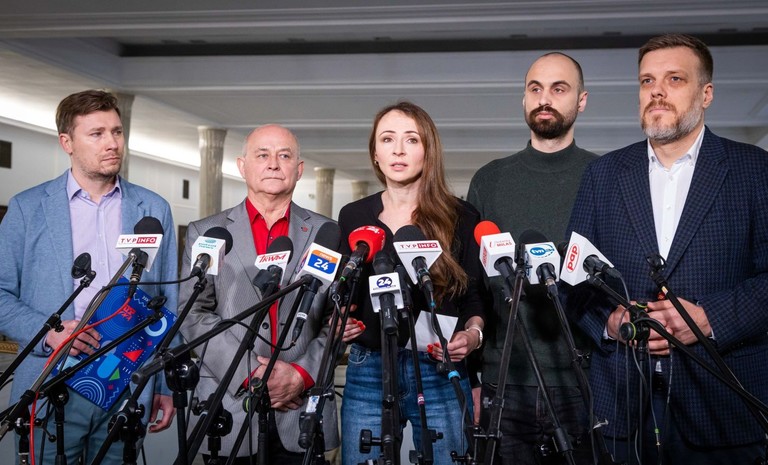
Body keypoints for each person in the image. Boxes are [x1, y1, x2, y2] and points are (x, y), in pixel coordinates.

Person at [564, 33, 768, 464]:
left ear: (706, 94)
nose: (657, 91)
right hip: (622, 409)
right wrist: (610, 323)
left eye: (675, 79)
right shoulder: (602, 175)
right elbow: (573, 283)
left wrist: (708, 319)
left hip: (723, 407)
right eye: (647, 81)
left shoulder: (755, 170)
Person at [0, 89, 178, 464]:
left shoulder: (153, 209)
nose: (112, 143)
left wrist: (163, 382)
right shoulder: (28, 209)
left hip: (127, 380)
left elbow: (167, 302)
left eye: (117, 132)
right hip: (51, 381)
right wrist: (49, 333)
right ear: (67, 142)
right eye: (97, 134)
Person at [178, 124, 339, 465]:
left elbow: (337, 319)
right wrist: (250, 372)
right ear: (242, 166)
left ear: (299, 169)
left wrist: (301, 374)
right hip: (228, 410)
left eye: (284, 156)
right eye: (262, 155)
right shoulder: (207, 233)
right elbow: (192, 313)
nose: (273, 164)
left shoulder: (327, 233)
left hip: (301, 409)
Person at [338, 101, 487, 465]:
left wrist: (473, 335)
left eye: (411, 139)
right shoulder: (353, 215)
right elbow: (345, 295)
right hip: (369, 366)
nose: (399, 150)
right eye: (387, 139)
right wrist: (340, 319)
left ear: (428, 151)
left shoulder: (461, 215)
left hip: (438, 367)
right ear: (375, 153)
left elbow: (474, 298)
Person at [467, 52, 597, 464]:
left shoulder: (605, 176)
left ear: (581, 101)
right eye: (535, 88)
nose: (545, 98)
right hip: (504, 382)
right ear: (524, 99)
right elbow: (473, 286)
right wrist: (473, 379)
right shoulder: (490, 179)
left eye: (559, 89)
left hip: (584, 383)